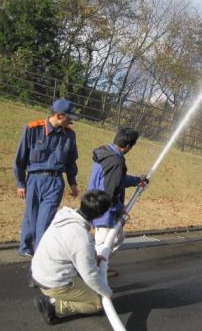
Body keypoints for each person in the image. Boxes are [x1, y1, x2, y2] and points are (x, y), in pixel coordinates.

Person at [31, 190, 113, 325]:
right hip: (53, 281)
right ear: (100, 215)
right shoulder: (81, 239)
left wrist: (92, 257)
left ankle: (54, 296)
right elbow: (90, 275)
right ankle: (53, 304)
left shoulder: (64, 215)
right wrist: (107, 292)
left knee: (92, 285)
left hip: (39, 270)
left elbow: (71, 248)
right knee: (96, 303)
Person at [13, 98, 80, 258]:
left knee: (45, 219)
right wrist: (20, 183)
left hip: (55, 181)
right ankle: (25, 247)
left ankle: (40, 254)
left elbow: (71, 162)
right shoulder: (32, 129)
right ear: (59, 115)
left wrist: (73, 183)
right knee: (31, 215)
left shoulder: (70, 135)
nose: (71, 121)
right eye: (68, 117)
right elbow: (19, 159)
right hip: (33, 180)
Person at [88, 127, 148, 276]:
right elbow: (111, 190)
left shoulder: (106, 153)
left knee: (117, 237)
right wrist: (120, 208)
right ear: (128, 146)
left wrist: (137, 181)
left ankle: (99, 266)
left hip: (97, 203)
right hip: (105, 210)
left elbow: (118, 180)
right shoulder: (116, 162)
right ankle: (92, 272)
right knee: (103, 243)